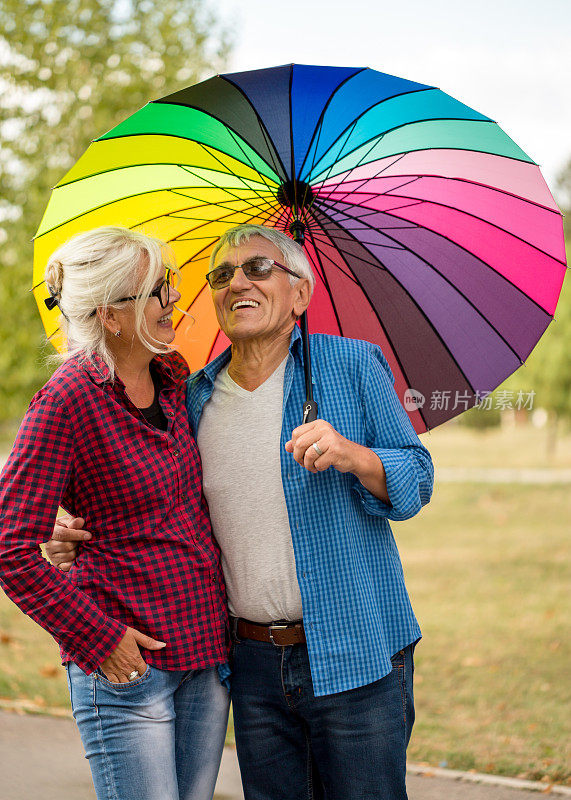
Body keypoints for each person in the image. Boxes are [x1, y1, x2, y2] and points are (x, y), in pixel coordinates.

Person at [48, 224, 434, 800]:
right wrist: (74, 532)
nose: (237, 283)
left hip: (358, 652)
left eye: (258, 268)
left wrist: (356, 456)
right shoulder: (190, 394)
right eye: (222, 275)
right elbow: (157, 501)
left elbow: (417, 479)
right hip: (251, 664)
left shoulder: (354, 366)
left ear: (300, 294)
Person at [0, 227, 230, 800]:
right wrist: (98, 639)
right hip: (130, 669)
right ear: (111, 315)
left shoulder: (174, 380)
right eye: (156, 289)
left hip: (204, 653)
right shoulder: (68, 399)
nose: (172, 299)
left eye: (168, 285)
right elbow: (10, 544)